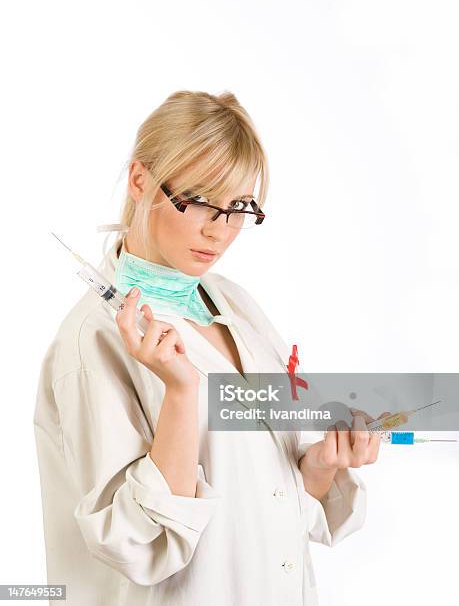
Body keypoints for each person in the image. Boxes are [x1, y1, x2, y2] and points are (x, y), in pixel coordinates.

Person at [34, 90, 386, 606]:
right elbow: (138, 545)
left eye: (238, 207)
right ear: (140, 180)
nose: (219, 231)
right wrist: (181, 393)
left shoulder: (232, 303)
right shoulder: (94, 340)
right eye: (199, 199)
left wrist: (316, 469)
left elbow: (257, 500)